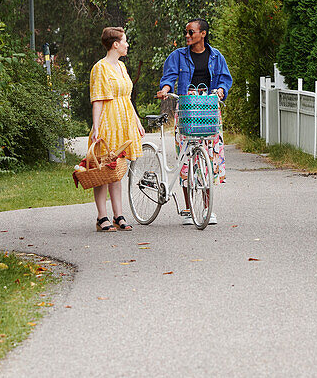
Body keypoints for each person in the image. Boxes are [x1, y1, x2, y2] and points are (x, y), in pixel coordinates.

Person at [155, 18, 233, 225]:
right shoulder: (177, 56)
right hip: (187, 109)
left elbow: (225, 78)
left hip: (209, 109)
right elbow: (169, 78)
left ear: (203, 34)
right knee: (186, 159)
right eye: (186, 33)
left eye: (191, 32)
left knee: (209, 159)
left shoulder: (216, 56)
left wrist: (222, 90)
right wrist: (165, 90)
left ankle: (207, 208)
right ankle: (189, 209)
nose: (187, 36)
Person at [90, 26, 145, 232]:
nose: (127, 44)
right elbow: (97, 99)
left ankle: (118, 215)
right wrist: (96, 127)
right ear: (115, 44)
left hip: (124, 121)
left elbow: (127, 97)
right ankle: (101, 217)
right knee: (104, 171)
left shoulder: (121, 67)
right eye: (125, 41)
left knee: (117, 170)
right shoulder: (100, 68)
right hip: (108, 122)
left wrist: (137, 121)